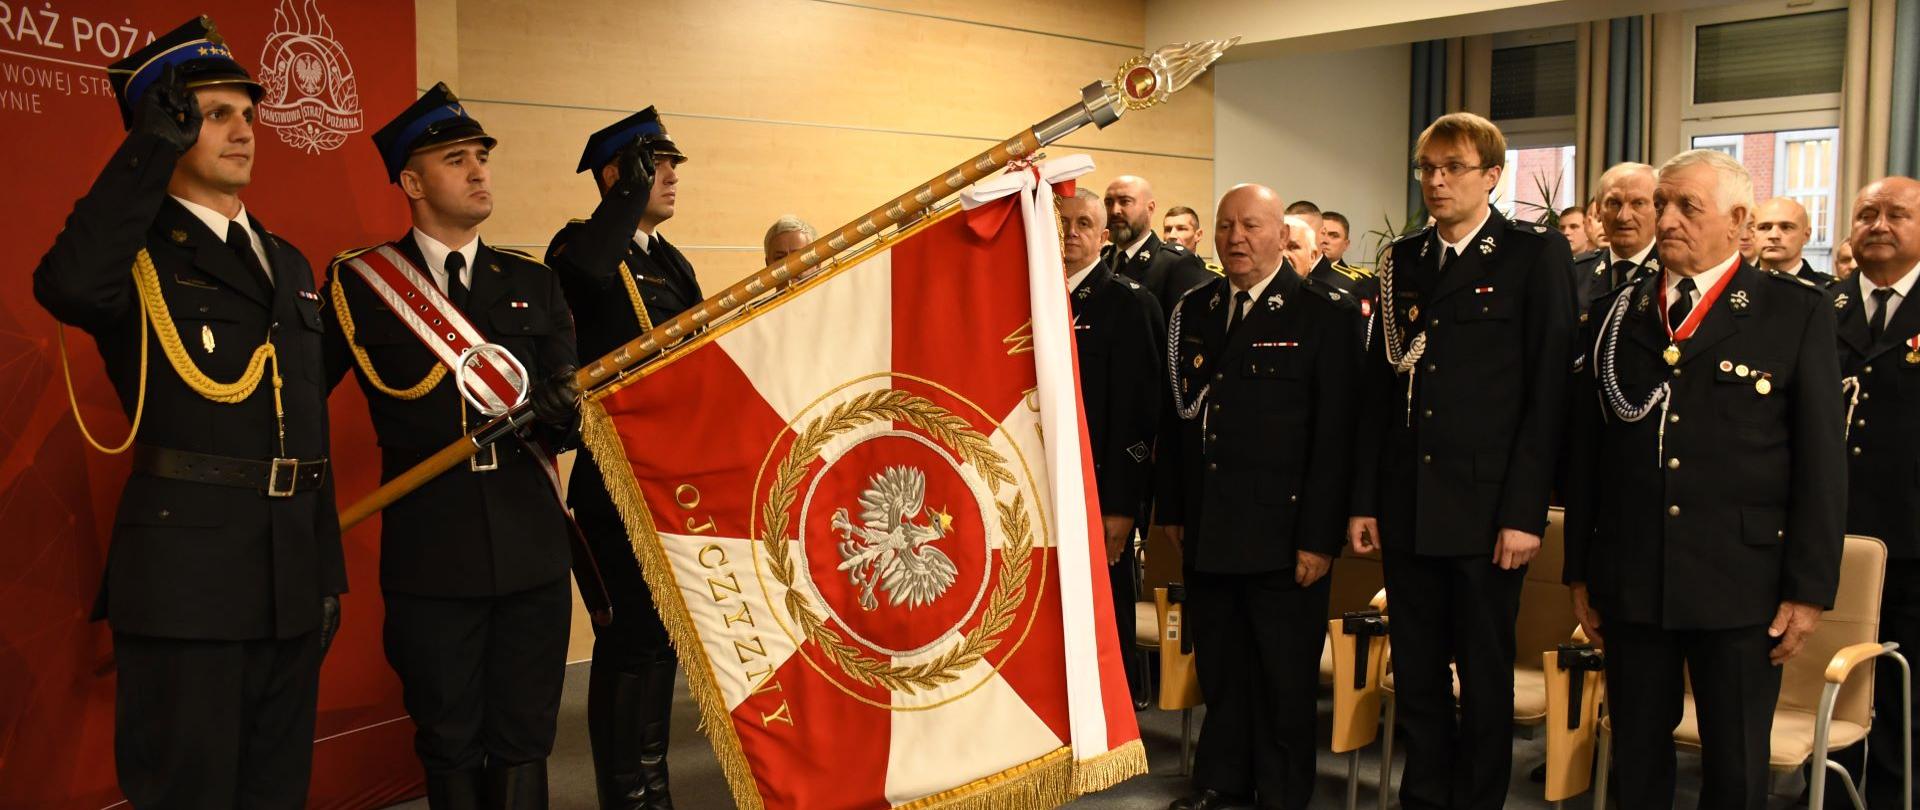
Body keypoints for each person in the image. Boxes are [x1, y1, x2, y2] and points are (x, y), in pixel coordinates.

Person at [33, 17, 344, 807]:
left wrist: (323, 573)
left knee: (276, 792)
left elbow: (305, 426)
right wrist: (145, 150)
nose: (243, 131)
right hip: (187, 584)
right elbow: (67, 284)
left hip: (287, 575)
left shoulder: (287, 262)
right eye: (213, 116)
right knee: (189, 793)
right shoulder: (136, 251)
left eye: (248, 114)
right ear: (166, 128)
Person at [321, 82, 583, 808]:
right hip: (431, 554)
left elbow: (571, 424)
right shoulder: (361, 284)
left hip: (530, 546)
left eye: (481, 158)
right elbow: (298, 403)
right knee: (448, 738)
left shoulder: (533, 281)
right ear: (412, 183)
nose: (478, 172)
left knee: (526, 737)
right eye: (455, 159)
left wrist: (565, 411)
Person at [1563, 148, 1845, 810]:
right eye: (1662, 203)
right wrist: (1580, 570)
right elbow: (1588, 455)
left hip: (1741, 582)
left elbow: (1820, 465)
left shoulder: (1792, 312)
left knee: (1735, 763)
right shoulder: (1617, 311)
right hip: (1634, 574)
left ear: (1738, 221)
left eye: (1687, 207)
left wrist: (1808, 591)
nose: (1666, 220)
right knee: (1634, 757)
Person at [1348, 112, 1573, 810]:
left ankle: (1477, 799)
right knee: (1416, 669)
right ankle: (1423, 795)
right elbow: (1379, 393)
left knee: (1482, 671)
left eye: (1453, 168)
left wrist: (1525, 512)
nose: (1437, 181)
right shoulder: (1402, 260)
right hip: (1409, 498)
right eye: (1427, 168)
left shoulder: (1531, 255)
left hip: (1487, 507)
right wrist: (1365, 500)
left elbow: (1547, 396)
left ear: (1492, 176)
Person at [1158, 184, 1359, 810]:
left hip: (1285, 530)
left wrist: (1319, 538)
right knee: (1221, 664)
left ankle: (1281, 793)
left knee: (1282, 674)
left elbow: (1336, 438)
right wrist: (1175, 509)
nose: (1235, 238)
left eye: (1250, 226)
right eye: (1226, 226)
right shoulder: (1196, 308)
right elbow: (1178, 421)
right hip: (1212, 524)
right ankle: (1221, 781)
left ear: (1281, 235)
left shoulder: (1322, 311)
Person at [544, 106, 696, 810]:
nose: (672, 177)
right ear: (617, 175)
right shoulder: (579, 245)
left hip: (670, 477)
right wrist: (625, 196)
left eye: (670, 166)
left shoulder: (670, 260)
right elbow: (587, 278)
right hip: (613, 483)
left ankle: (653, 790)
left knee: (663, 643)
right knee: (629, 641)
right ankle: (625, 798)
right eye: (656, 166)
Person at [1824, 176, 1920, 810]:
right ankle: (1829, 789)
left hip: (1911, 531)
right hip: (1831, 528)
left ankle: (1893, 795)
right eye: (1866, 214)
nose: (1879, 225)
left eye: (1897, 214)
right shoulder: (1818, 307)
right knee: (1832, 675)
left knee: (1904, 682)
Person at [1060, 188, 1164, 710]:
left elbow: (1139, 413)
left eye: (1083, 223)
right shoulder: (1030, 296)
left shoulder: (1127, 302)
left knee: (1105, 606)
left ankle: (1114, 714)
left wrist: (1122, 506)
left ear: (1103, 237)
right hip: (1046, 483)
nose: (1070, 233)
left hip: (1101, 488)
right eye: (1062, 223)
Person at [1104, 175, 1215, 313]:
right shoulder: (1100, 259)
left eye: (1125, 201)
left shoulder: (1176, 263)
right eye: (1108, 203)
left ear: (1150, 208)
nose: (1114, 210)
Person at [1569, 163, 1660, 321]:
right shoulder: (1575, 274)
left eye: (1638, 203)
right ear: (1598, 210)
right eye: (1614, 203)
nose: (1623, 217)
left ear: (1659, 209)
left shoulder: (1674, 274)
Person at [1753, 196, 1836, 286]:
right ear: (1753, 234)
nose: (1774, 236)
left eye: (1786, 227)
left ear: (1806, 235)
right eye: (1764, 228)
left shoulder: (1830, 290)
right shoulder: (1742, 285)